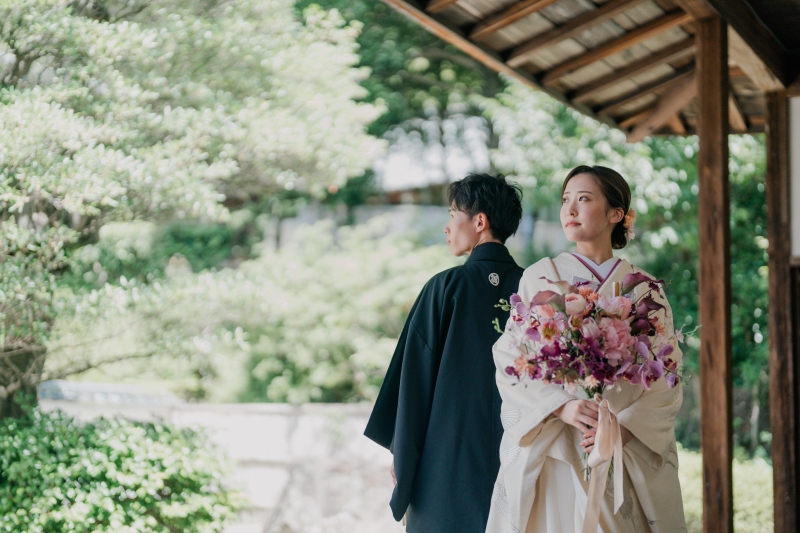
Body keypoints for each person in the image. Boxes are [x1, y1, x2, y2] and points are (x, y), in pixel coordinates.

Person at [486, 166, 686, 533]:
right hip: (557, 443)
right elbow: (510, 358)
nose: (569, 210)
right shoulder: (539, 277)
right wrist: (561, 405)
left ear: (616, 214)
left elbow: (667, 372)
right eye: (565, 200)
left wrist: (623, 429)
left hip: (623, 444)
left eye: (583, 199)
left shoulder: (645, 290)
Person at [364, 173, 525, 533]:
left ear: (479, 222)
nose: (447, 227)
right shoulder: (535, 291)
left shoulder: (444, 287)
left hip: (445, 468)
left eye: (453, 215)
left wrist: (404, 461)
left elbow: (414, 386)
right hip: (520, 460)